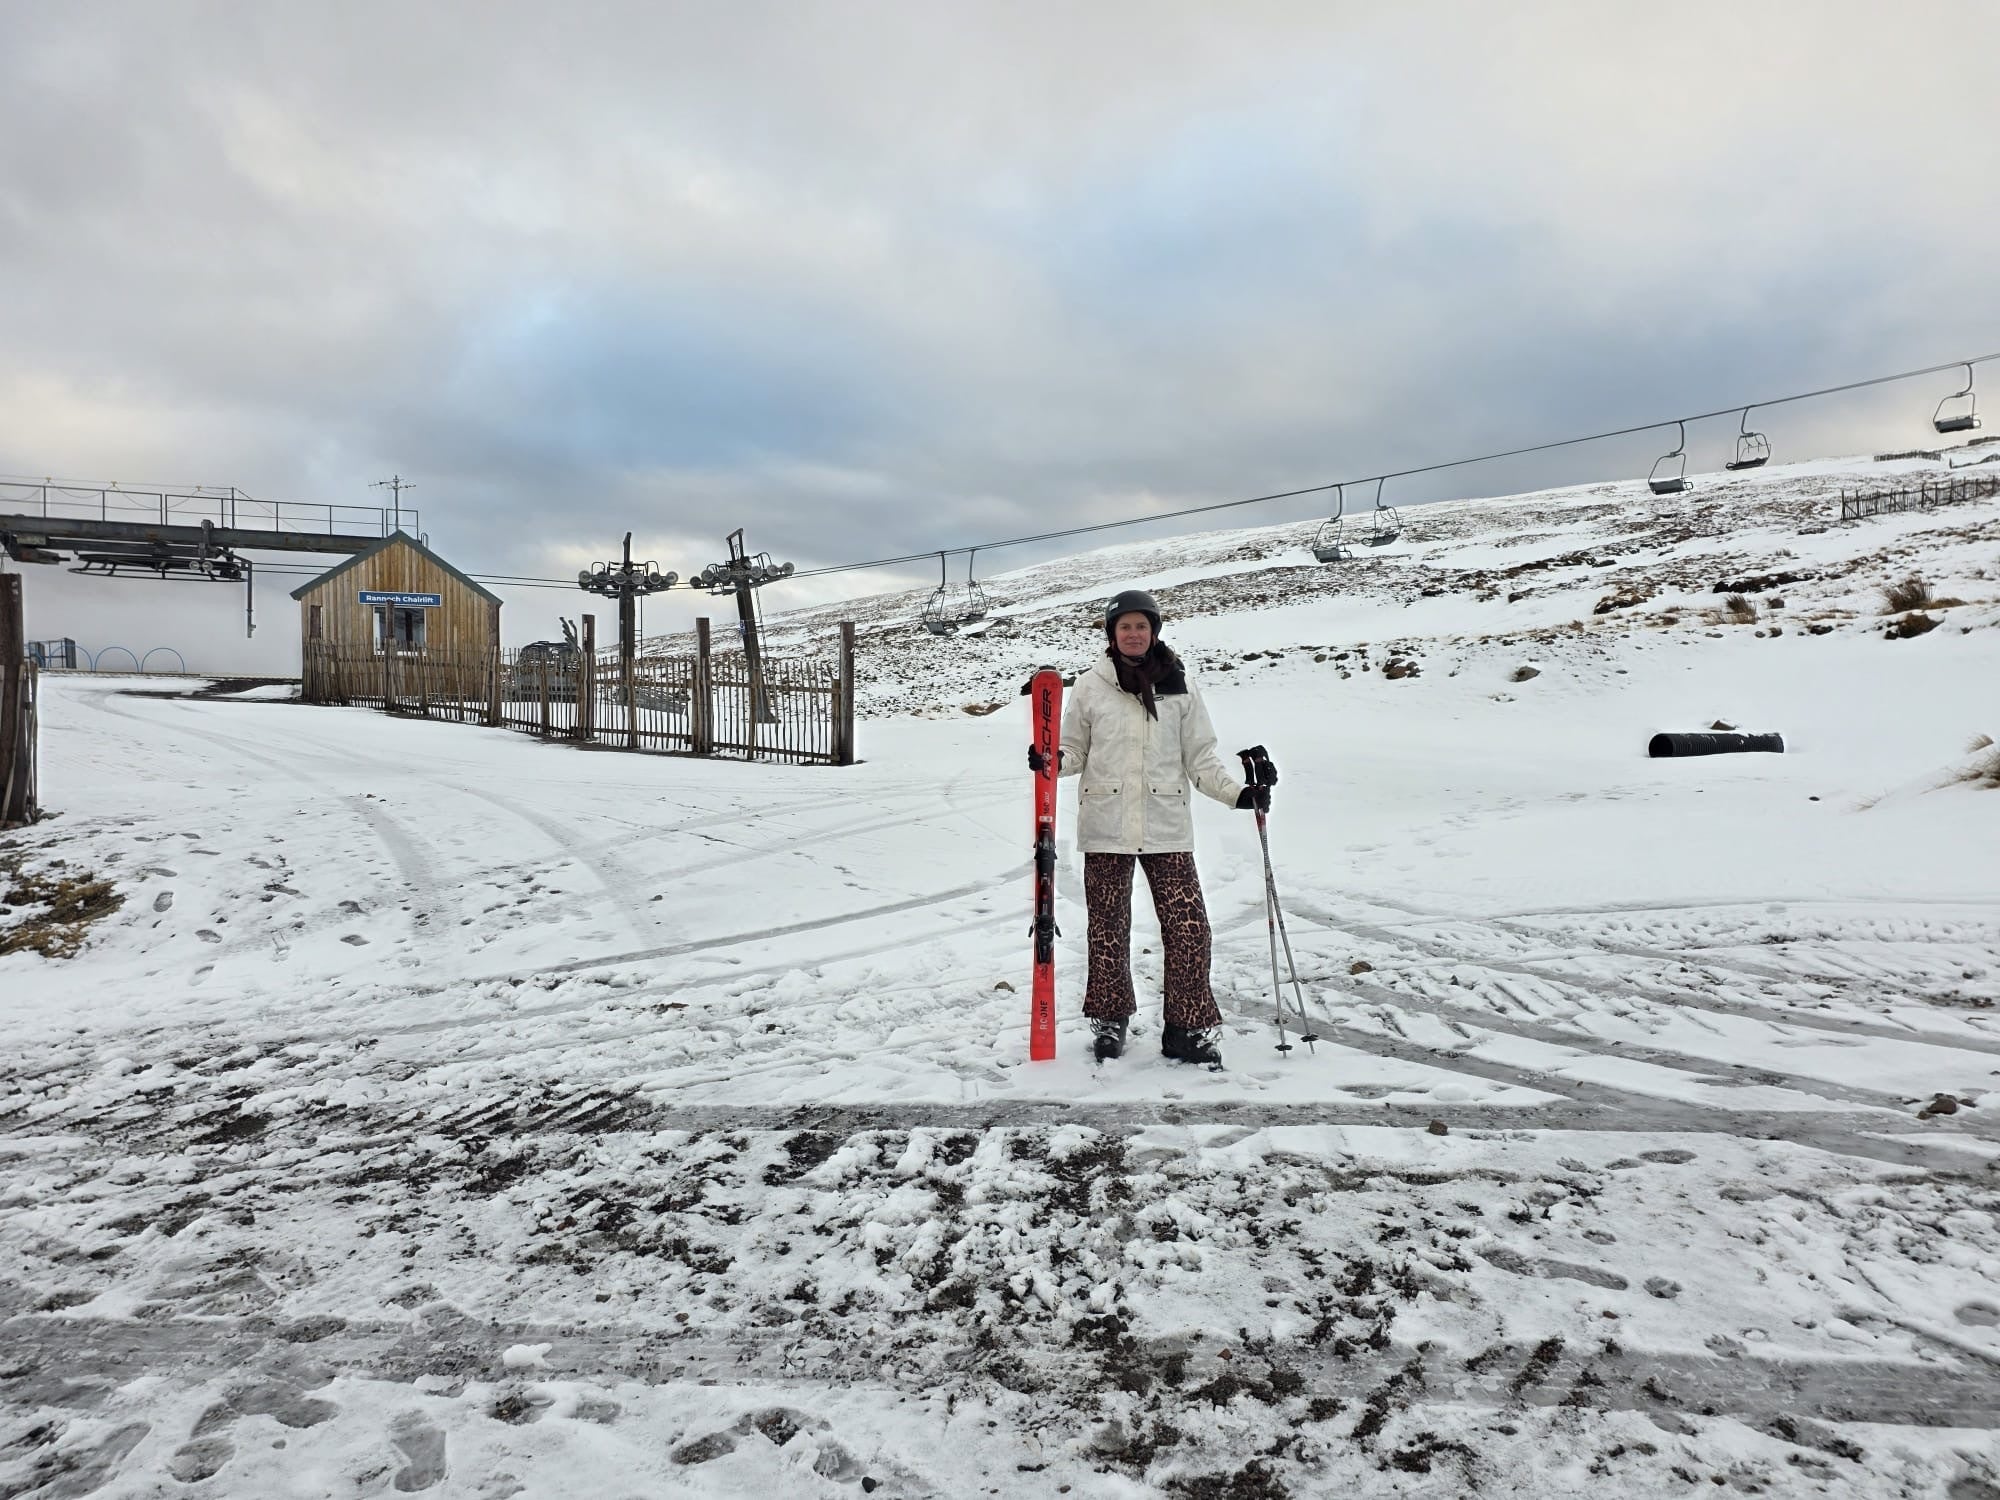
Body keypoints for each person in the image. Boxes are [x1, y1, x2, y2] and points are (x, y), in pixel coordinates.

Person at [1027, 589, 1273, 1067]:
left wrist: (1239, 795)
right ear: (1112, 634)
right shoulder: (1092, 686)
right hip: (1106, 825)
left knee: (1189, 930)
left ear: (1154, 631)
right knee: (1108, 928)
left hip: (1166, 825)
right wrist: (1052, 760)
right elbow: (1074, 751)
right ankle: (1110, 1020)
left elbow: (1200, 758)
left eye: (1142, 626)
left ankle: (1187, 1027)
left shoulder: (1180, 687)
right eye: (1125, 627)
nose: (1134, 634)